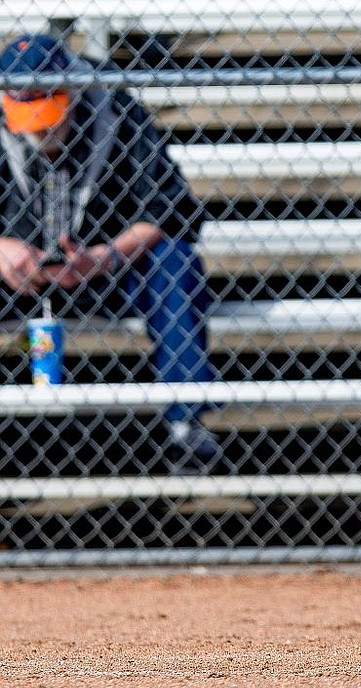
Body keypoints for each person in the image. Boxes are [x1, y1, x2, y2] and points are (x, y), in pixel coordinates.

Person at [0, 34, 221, 473]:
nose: (42, 130)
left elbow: (171, 208)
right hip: (15, 276)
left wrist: (106, 256)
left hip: (108, 271)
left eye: (49, 116)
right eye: (28, 119)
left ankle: (186, 424)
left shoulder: (118, 111)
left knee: (173, 262)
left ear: (73, 91)